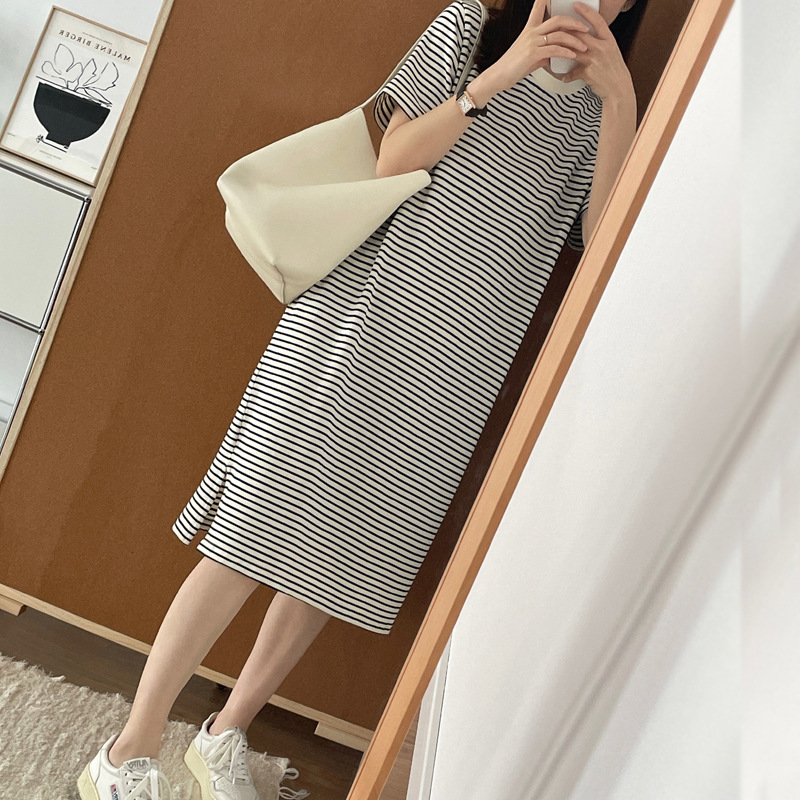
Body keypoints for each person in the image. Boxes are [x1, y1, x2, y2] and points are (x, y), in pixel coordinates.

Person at [77, 0, 643, 797]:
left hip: (455, 368)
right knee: (250, 530)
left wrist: (620, 103)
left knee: (341, 555)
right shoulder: (468, 30)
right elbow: (394, 158)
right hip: (356, 321)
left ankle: (225, 734)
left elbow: (605, 242)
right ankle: (125, 752)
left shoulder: (600, 107)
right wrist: (508, 68)